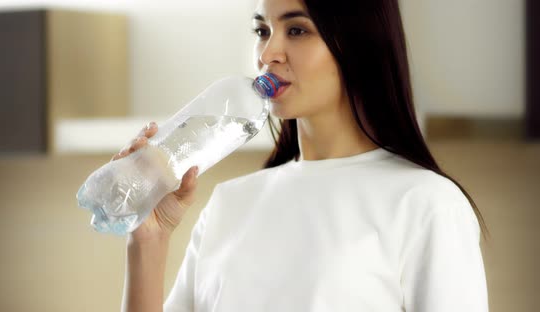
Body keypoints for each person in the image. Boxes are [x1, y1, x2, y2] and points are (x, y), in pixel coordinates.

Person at [119, 0, 489, 311]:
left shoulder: (426, 203)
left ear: (359, 44)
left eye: (296, 30)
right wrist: (148, 242)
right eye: (262, 31)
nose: (268, 54)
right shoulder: (229, 203)